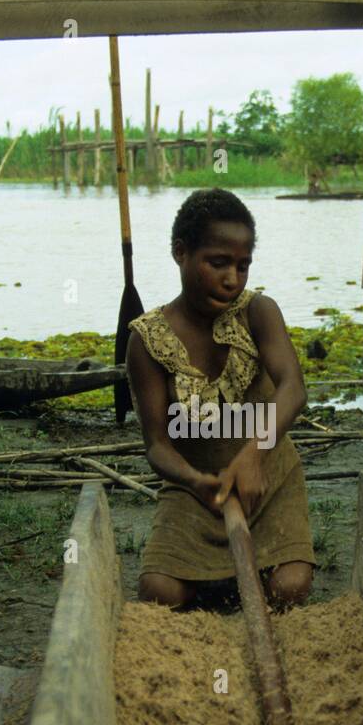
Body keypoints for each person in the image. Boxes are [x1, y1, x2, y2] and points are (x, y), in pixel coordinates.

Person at [127, 190, 315, 611]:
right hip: (197, 493)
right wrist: (196, 481)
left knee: (290, 588)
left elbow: (293, 389)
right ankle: (210, 574)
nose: (233, 278)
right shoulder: (147, 341)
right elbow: (157, 446)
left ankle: (236, 572)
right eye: (218, 263)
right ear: (181, 253)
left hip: (268, 479)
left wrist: (252, 456)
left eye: (242, 265)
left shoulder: (258, 312)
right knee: (160, 593)